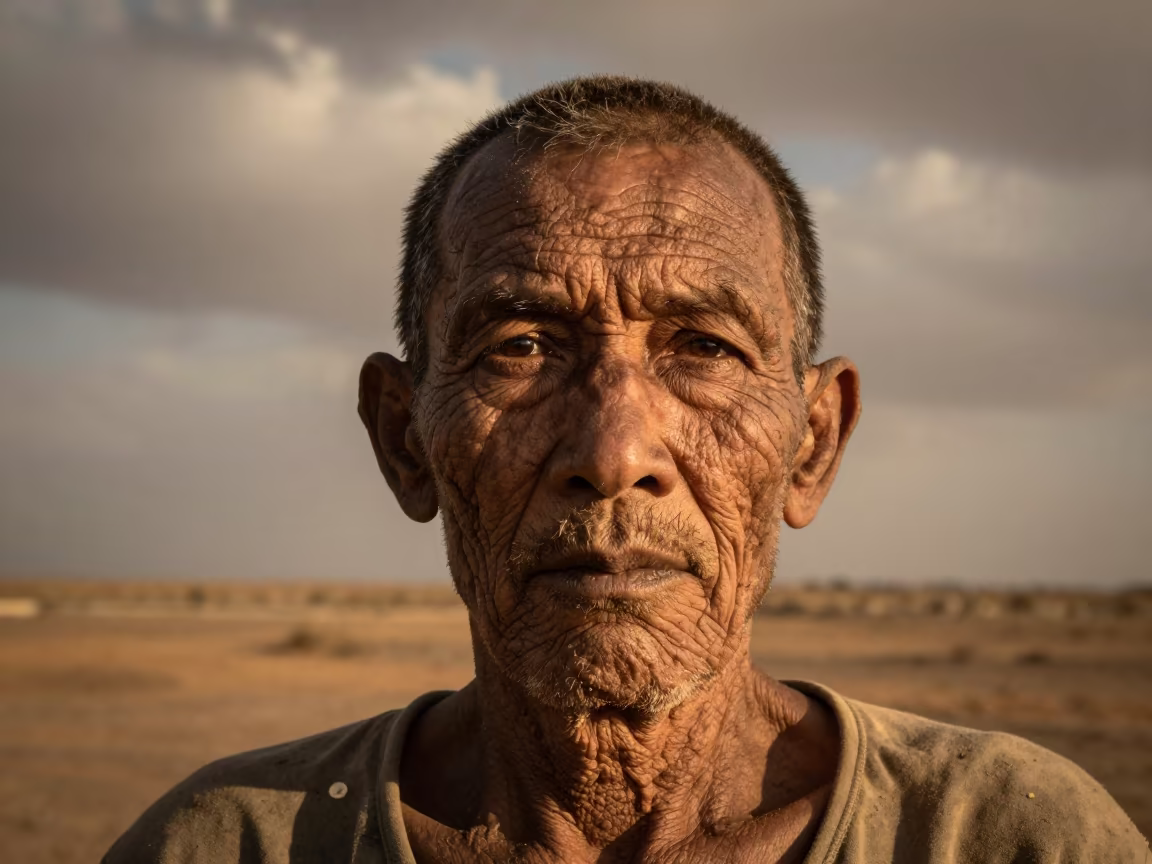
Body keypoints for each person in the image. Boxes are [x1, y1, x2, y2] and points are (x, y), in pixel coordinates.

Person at [104, 76, 1149, 864]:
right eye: (520, 346)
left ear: (814, 444)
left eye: (702, 347)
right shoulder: (230, 842)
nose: (615, 456)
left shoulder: (1009, 837)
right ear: (403, 439)